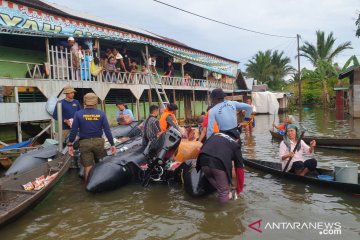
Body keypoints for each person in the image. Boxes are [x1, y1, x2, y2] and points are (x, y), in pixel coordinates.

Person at [67, 93, 116, 182]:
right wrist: (112, 144)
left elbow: (73, 131)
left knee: (87, 167)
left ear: (85, 102)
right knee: (101, 164)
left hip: (84, 143)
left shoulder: (78, 114)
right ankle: (100, 183)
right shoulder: (101, 114)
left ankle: (88, 185)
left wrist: (70, 145)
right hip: (98, 142)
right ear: (96, 102)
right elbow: (107, 130)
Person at [196, 131, 245, 203]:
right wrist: (239, 190)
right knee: (224, 192)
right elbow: (240, 169)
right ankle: (222, 211)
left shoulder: (215, 135)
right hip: (218, 164)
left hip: (203, 162)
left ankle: (226, 193)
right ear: (237, 139)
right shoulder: (235, 144)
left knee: (212, 179)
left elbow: (202, 149)